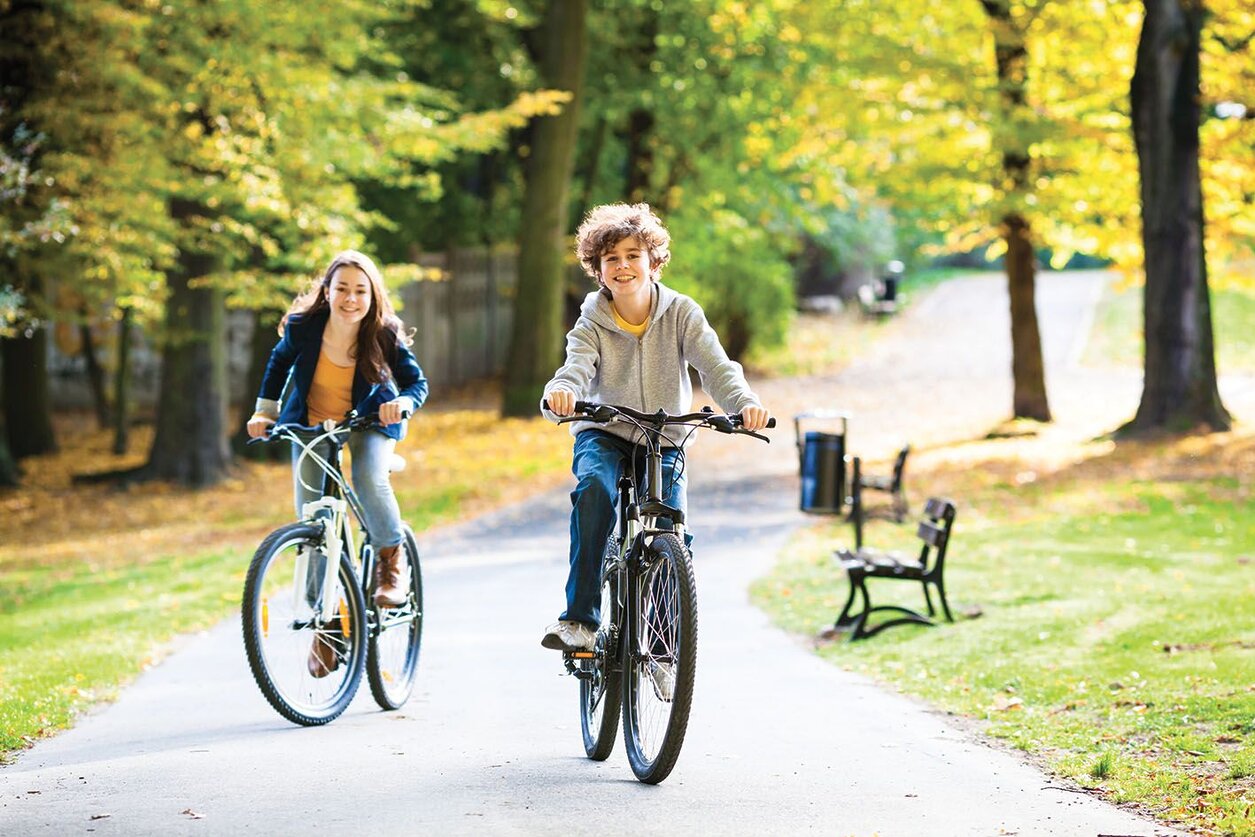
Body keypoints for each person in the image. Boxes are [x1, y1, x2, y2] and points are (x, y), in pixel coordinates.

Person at [540, 203, 770, 656]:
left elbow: (717, 368)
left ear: (653, 261)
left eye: (632, 255)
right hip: (604, 430)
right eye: (611, 259)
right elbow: (575, 368)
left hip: (666, 436)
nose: (623, 265)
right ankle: (580, 621)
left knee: (669, 528)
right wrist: (561, 393)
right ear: (599, 270)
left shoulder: (682, 313)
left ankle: (664, 648)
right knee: (594, 492)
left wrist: (744, 404)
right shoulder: (592, 320)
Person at [246, 250, 428, 677]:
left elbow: (416, 383)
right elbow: (278, 365)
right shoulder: (303, 327)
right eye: (342, 288)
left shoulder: (383, 332)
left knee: (367, 477)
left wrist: (401, 403)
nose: (351, 298)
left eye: (360, 290)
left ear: (372, 295)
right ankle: (326, 625)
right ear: (326, 292)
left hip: (369, 422)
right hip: (311, 424)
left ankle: (390, 563)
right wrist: (264, 411)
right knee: (313, 520)